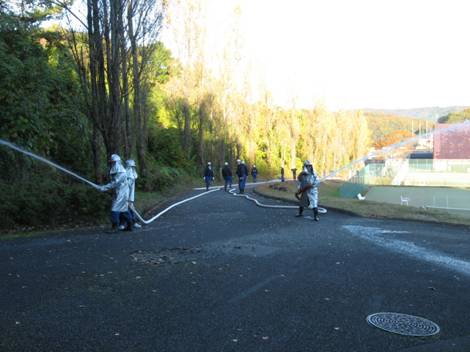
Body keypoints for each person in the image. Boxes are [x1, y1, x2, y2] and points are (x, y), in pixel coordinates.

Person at [99, 154, 132, 232]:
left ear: (117, 162)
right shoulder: (118, 171)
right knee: (123, 210)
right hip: (120, 192)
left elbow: (115, 183)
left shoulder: (122, 172)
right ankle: (130, 225)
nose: (112, 163)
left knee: (114, 209)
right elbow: (114, 182)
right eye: (111, 162)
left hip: (122, 193)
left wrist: (104, 188)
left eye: (113, 162)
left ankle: (115, 227)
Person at [126, 159, 142, 229]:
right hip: (127, 196)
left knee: (130, 209)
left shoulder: (131, 174)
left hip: (128, 196)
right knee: (128, 209)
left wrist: (129, 199)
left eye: (133, 167)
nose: (133, 168)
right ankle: (129, 223)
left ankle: (133, 222)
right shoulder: (128, 174)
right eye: (132, 166)